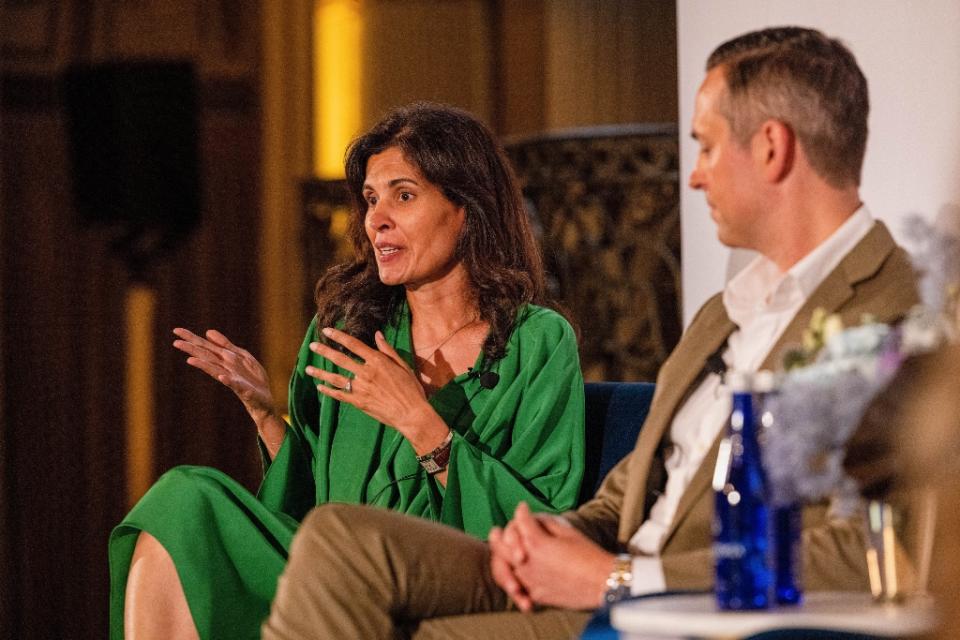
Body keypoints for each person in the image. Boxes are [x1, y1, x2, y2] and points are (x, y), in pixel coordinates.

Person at [261, 26, 921, 639]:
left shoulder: (894, 315)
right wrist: (552, 539)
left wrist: (617, 578)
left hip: (658, 599)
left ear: (773, 148)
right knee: (339, 539)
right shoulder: (727, 313)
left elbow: (871, 551)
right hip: (604, 566)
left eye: (707, 145)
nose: (693, 173)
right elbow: (642, 478)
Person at [108, 103, 586, 640]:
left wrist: (420, 423)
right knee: (182, 499)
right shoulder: (345, 329)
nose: (376, 219)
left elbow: (548, 523)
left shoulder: (536, 341)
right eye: (371, 200)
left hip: (450, 585)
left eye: (403, 196)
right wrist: (268, 418)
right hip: (328, 574)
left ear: (466, 208)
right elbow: (306, 508)